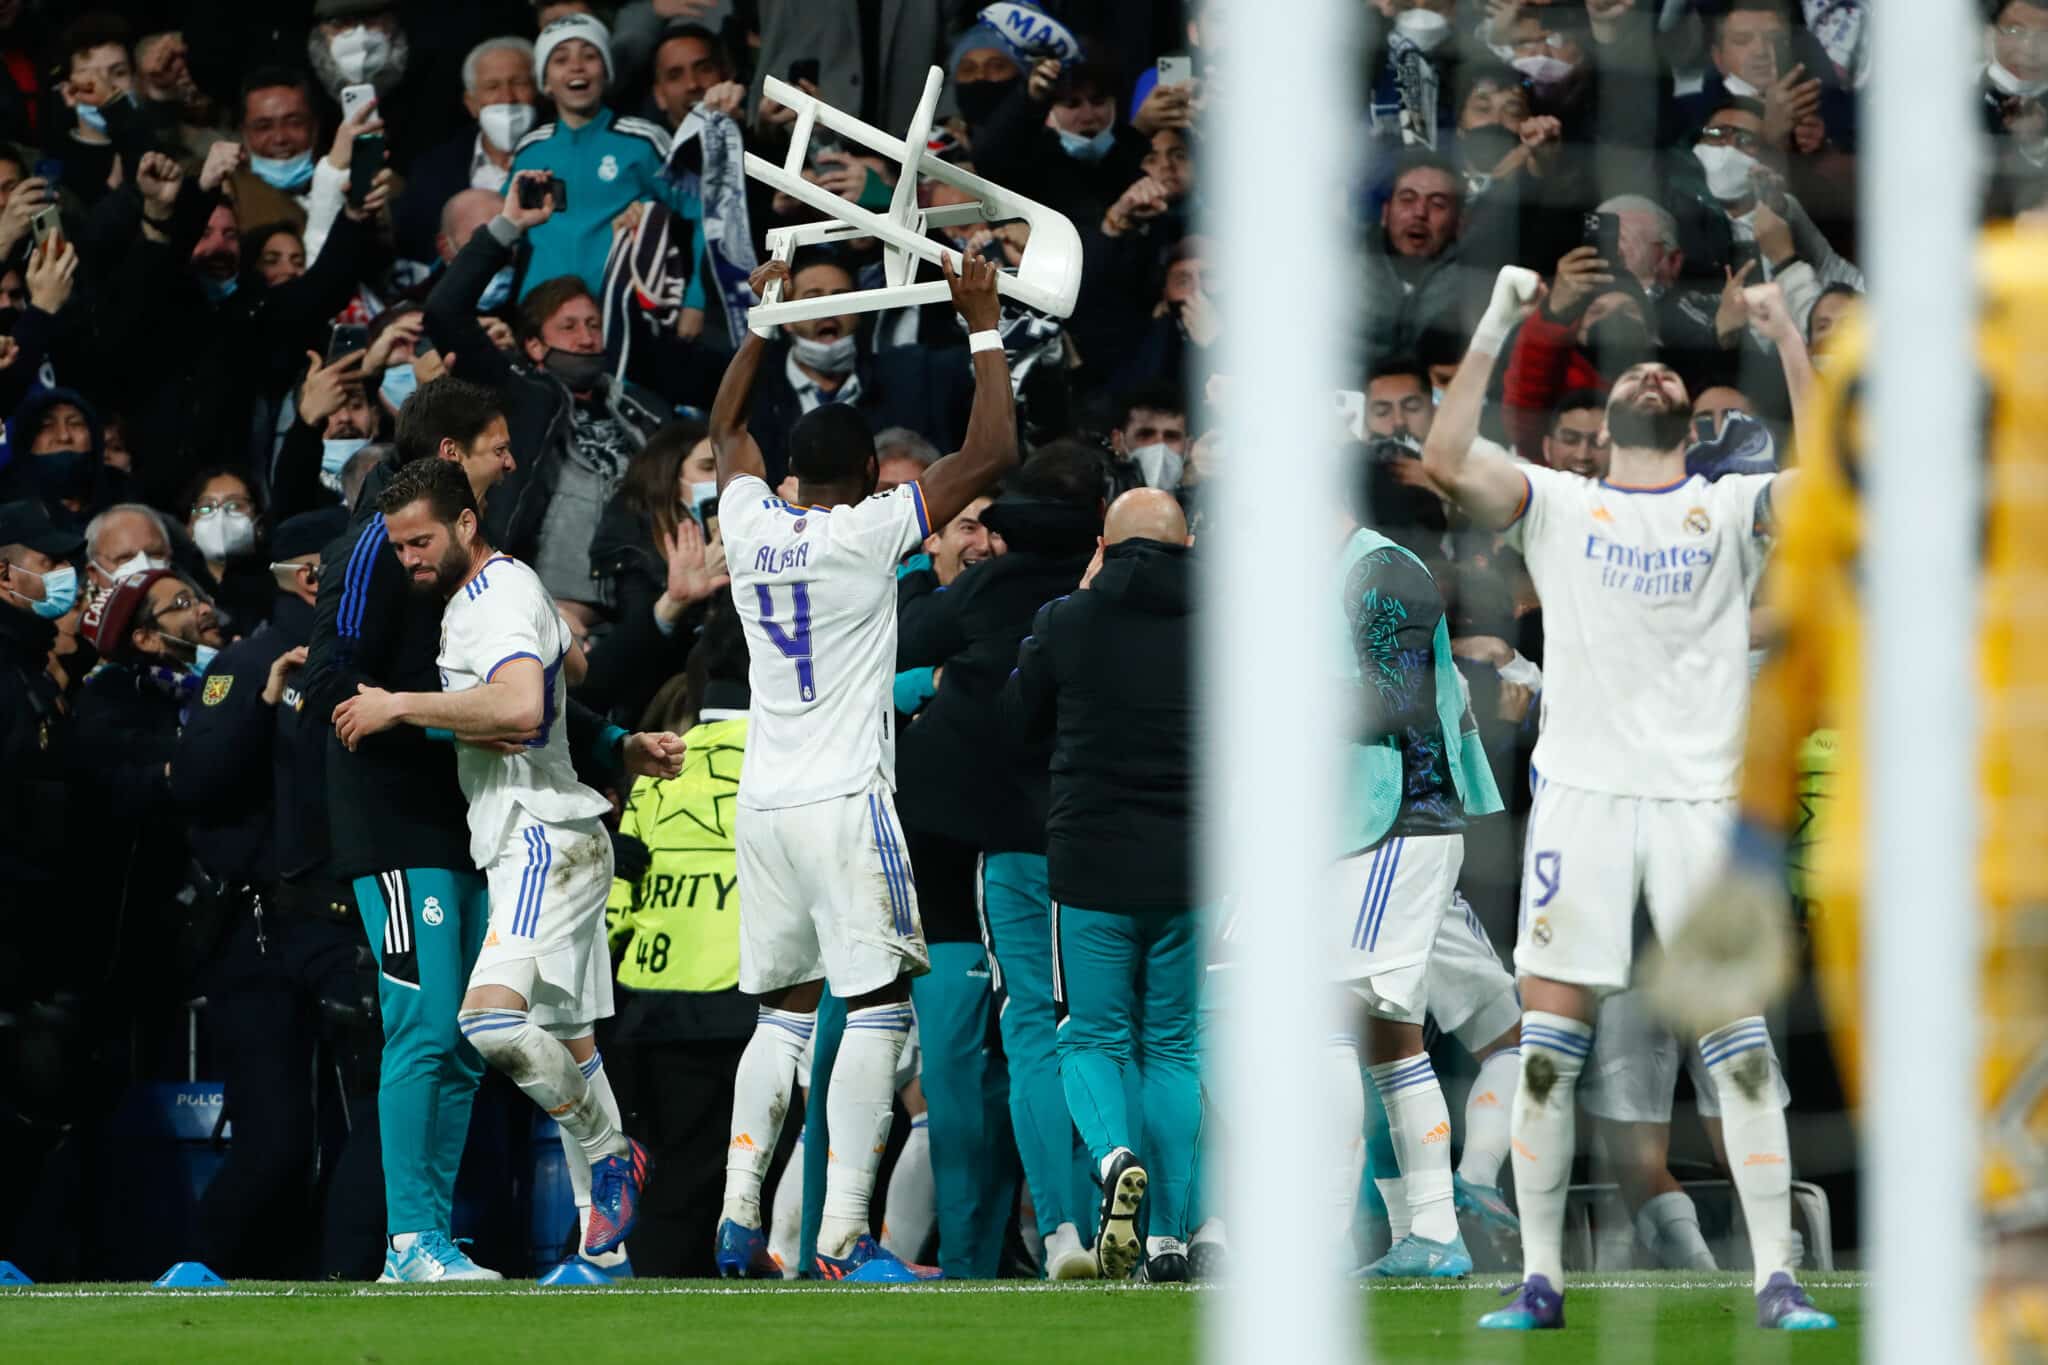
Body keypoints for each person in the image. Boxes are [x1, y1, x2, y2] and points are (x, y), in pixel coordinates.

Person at [1421, 266, 1831, 1332]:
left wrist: (1785, 331)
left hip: (1700, 806)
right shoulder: (1556, 501)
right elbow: (1440, 458)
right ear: (1598, 424)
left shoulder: (1728, 505)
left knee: (1738, 1045)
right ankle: (1541, 1280)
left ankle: (1775, 1280)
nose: (1652, 370)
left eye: (1668, 371)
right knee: (1551, 1047)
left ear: (1687, 424)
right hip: (1582, 805)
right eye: (1635, 367)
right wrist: (1501, 321)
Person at [300, 376, 684, 1283]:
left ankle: (448, 1236)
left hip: (475, 822)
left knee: (476, 1047)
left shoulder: (483, 575)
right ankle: (409, 1242)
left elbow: (525, 697)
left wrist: (608, 741)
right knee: (434, 1026)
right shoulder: (378, 549)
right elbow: (333, 683)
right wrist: (392, 714)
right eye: (496, 445)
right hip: (399, 827)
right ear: (449, 459)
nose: (510, 461)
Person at [707, 251, 1016, 1279]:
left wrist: (762, 321)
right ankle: (843, 1234)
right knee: (878, 1007)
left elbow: (722, 432)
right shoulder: (868, 533)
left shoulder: (750, 524)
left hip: (762, 802)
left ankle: (739, 1209)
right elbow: (992, 449)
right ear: (868, 479)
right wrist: (978, 322)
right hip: (844, 800)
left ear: (791, 476)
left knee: (780, 1015)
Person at [896, 445, 1107, 1283]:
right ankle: (1173, 1227)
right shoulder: (1141, 599)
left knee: (1020, 1035)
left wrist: (914, 563)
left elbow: (909, 633)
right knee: (1125, 1033)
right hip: (1108, 845)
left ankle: (1058, 1230)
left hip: (1000, 852)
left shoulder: (987, 589)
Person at [999, 488, 1198, 1281]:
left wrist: (1077, 600)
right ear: (1190, 547)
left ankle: (1114, 1157)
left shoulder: (1065, 621)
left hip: (1088, 865)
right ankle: (1170, 1238)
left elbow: (1016, 720)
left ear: (1102, 548)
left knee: (1090, 1035)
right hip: (1192, 865)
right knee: (1176, 1046)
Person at [170, 507, 375, 1278]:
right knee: (276, 1141)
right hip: (255, 937)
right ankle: (195, 1267)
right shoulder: (250, 661)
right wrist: (262, 706)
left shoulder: (358, 662)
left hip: (338, 926)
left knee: (345, 1125)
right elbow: (195, 784)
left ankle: (319, 1278)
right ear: (314, 576)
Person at [1319, 451, 1507, 1281]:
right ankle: (1429, 1230)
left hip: (1402, 819)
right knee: (1385, 1035)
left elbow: (1393, 699)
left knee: (1327, 1013)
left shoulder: (1383, 570)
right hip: (1357, 826)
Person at [421, 172, 671, 617]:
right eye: (569, 327)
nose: (586, 338)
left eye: (593, 325)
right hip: (552, 599)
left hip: (647, 590)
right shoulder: (518, 393)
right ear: (534, 345)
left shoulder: (645, 408)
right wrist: (508, 226)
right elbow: (444, 311)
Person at [603, 604, 758, 1277]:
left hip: (652, 1001)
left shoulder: (659, 768)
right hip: (748, 1003)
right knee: (738, 1189)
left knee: (672, 1192)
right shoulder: (790, 763)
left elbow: (617, 903)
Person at [734, 248, 974, 489]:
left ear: (859, 312)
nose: (827, 310)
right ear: (786, 317)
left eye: (840, 297)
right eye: (812, 298)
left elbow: (978, 365)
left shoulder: (911, 376)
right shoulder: (754, 390)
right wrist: (764, 313)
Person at [508, 14, 705, 304]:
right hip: (541, 320)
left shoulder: (644, 141)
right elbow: (503, 231)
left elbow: (703, 213)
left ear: (607, 71)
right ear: (545, 82)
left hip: (625, 317)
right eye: (561, 59)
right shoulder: (529, 151)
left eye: (589, 56)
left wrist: (696, 300)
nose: (577, 66)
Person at [393, 37, 536, 265]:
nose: (508, 98)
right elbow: (414, 248)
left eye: (519, 83)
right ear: (471, 103)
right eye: (492, 87)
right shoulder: (432, 171)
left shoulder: (561, 160)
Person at [1358, 152, 1468, 371]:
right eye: (1407, 199)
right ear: (1385, 213)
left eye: (1437, 204)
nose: (1419, 213)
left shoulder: (1472, 284)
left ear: (1459, 223)